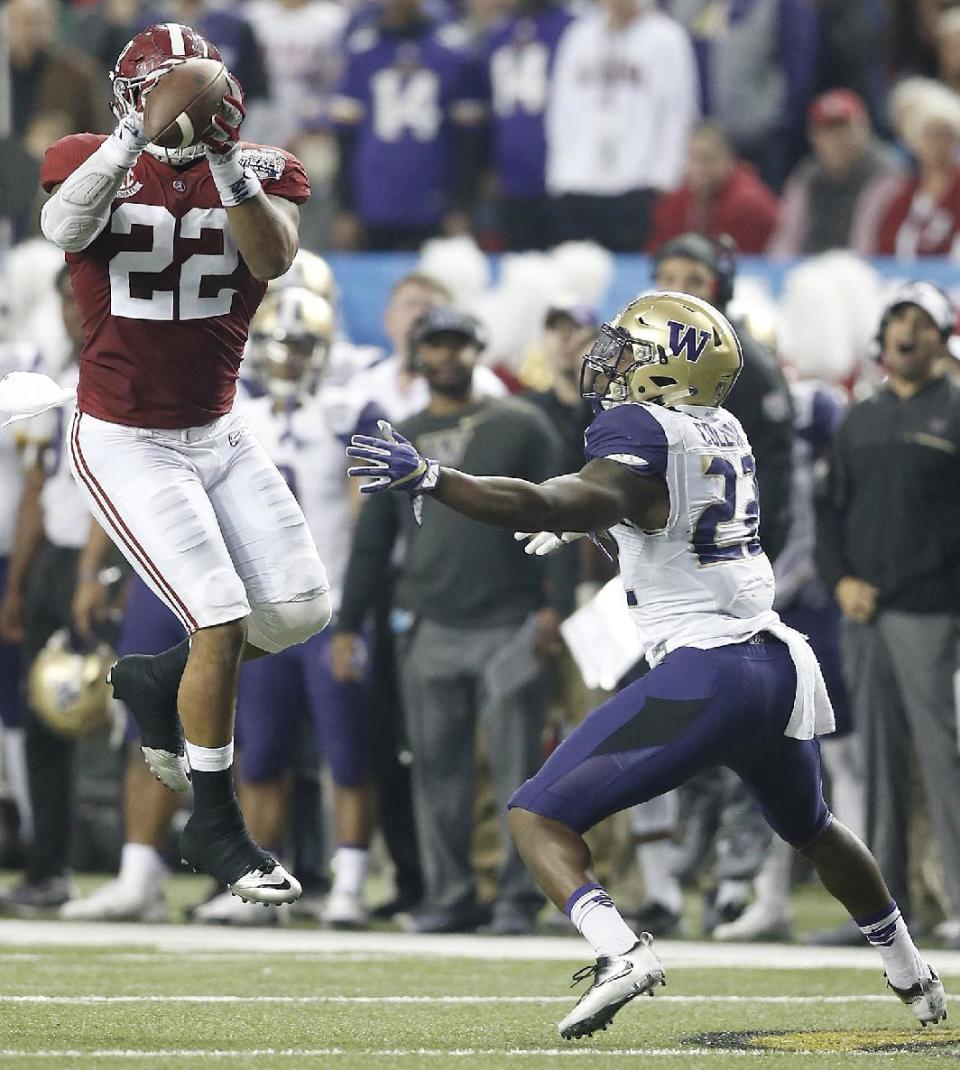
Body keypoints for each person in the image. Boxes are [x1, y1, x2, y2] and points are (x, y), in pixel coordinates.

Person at [345, 289, 947, 1038]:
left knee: (536, 815)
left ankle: (621, 951)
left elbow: (546, 501)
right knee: (815, 828)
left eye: (631, 348)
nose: (614, 359)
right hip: (777, 667)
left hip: (708, 673)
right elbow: (665, 519)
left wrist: (439, 479)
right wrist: (597, 532)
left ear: (668, 367)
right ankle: (912, 972)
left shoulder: (637, 428)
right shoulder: (723, 427)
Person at [37, 23, 332, 903]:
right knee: (221, 613)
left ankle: (156, 680)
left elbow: (275, 258)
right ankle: (215, 822)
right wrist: (136, 138)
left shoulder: (261, 168)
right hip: (122, 432)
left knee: (301, 609)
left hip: (217, 428)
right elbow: (63, 224)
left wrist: (224, 157)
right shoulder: (87, 154)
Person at [336, 306, 564, 935]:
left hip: (510, 616)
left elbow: (561, 515)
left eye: (458, 343)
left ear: (478, 349)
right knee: (435, 770)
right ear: (417, 354)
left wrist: (555, 608)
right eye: (435, 344)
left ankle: (518, 900)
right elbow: (371, 541)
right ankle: (450, 896)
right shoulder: (400, 435)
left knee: (521, 771)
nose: (447, 355)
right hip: (429, 620)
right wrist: (349, 623)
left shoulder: (520, 423)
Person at [195, 286, 382, 927]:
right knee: (262, 750)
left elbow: (368, 519)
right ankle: (261, 882)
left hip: (327, 608)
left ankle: (351, 883)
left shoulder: (350, 409)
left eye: (302, 345)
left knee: (347, 750)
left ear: (323, 350)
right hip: (261, 613)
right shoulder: (229, 409)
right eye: (277, 343)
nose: (287, 357)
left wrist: (354, 613)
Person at [814, 281, 960, 945]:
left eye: (921, 321)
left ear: (941, 336)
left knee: (943, 757)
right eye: (898, 319)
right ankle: (885, 913)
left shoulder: (955, 410)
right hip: (864, 612)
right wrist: (839, 578)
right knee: (876, 762)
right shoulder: (861, 416)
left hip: (933, 612)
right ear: (883, 336)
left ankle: (956, 901)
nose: (908, 331)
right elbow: (827, 509)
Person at [329, 0, 486, 250]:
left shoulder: (453, 51)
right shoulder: (362, 50)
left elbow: (469, 142)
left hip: (434, 195)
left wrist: (461, 205)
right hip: (374, 195)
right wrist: (346, 208)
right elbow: (345, 138)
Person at [544, 0, 698, 250]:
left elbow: (678, 112)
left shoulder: (666, 37)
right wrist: (559, 172)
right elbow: (560, 108)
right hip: (578, 180)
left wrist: (665, 176)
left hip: (638, 182)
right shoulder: (579, 35)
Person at [477, 0, 575, 250]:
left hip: (567, 174)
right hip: (511, 172)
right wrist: (488, 164)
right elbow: (487, 107)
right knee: (519, 263)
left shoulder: (575, 28)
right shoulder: (497, 33)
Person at [768, 89, 903, 258]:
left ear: (864, 127)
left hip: (861, 271)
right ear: (814, 136)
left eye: (844, 128)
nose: (836, 139)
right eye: (827, 130)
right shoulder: (807, 175)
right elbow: (787, 238)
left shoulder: (885, 172)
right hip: (809, 269)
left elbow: (867, 242)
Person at [646, 121, 780, 255]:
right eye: (694, 159)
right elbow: (660, 251)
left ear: (729, 160)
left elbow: (745, 259)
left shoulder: (748, 202)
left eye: (708, 159)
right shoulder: (675, 202)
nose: (700, 168)